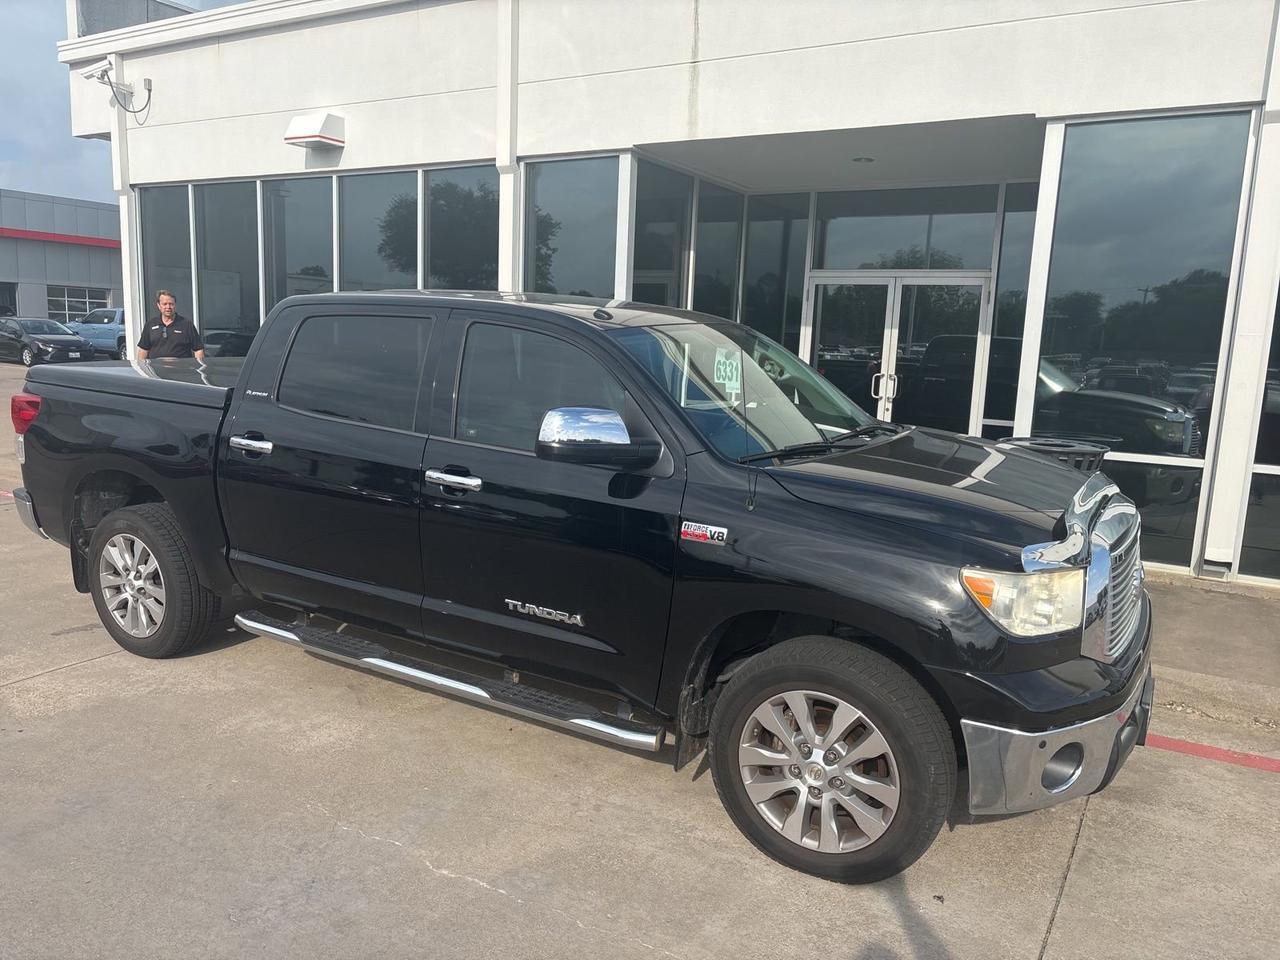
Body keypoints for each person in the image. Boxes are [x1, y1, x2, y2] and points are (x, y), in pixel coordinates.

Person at [137, 290, 204, 361]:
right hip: (156, 369)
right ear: (159, 305)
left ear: (175, 305)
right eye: (164, 304)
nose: (168, 307)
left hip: (181, 369)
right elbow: (143, 350)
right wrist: (142, 367)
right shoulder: (150, 324)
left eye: (171, 304)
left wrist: (199, 366)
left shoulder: (186, 324)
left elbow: (198, 350)